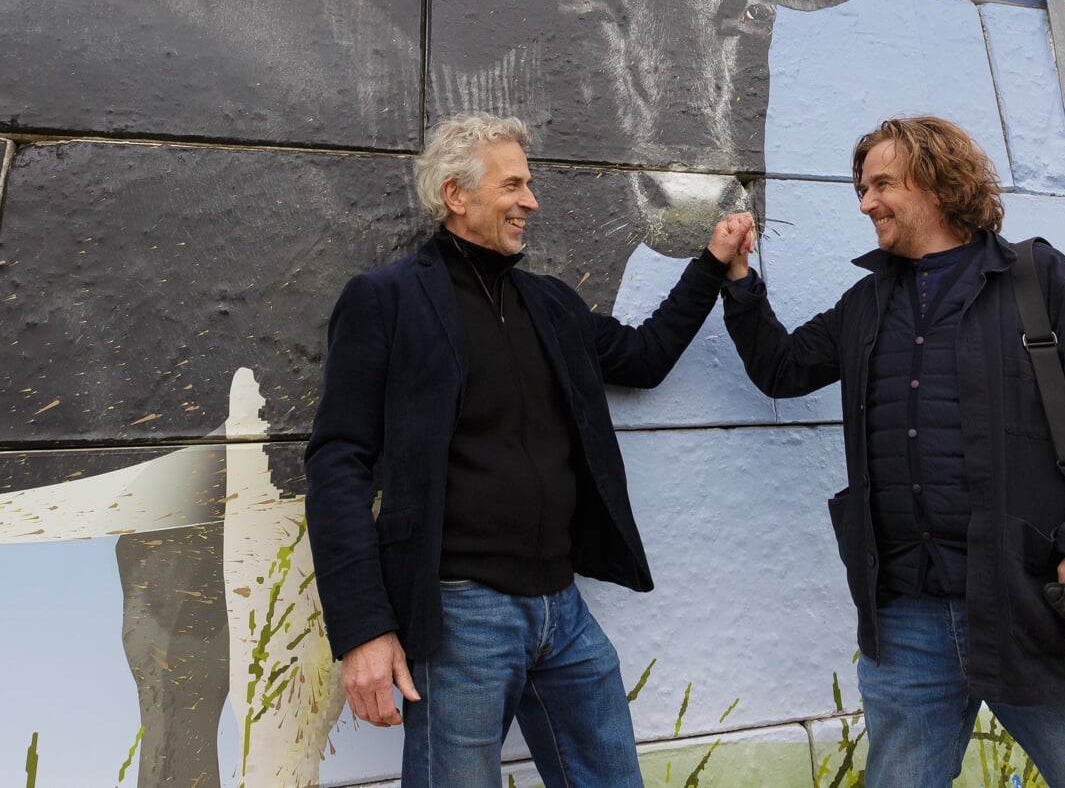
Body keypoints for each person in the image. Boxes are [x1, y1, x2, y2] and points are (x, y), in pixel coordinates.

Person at [714, 115, 1065, 787]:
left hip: (1034, 611)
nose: (865, 203)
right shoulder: (866, 305)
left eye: (881, 185)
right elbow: (783, 368)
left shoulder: (1040, 281)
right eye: (861, 188)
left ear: (935, 179)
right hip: (905, 624)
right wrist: (740, 282)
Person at [304, 111, 755, 787]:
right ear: (456, 195)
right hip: (461, 618)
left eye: (530, 184)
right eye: (513, 185)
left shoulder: (549, 303)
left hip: (563, 611)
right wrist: (363, 629)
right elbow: (336, 461)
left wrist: (713, 265)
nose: (531, 201)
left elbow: (643, 356)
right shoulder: (385, 300)